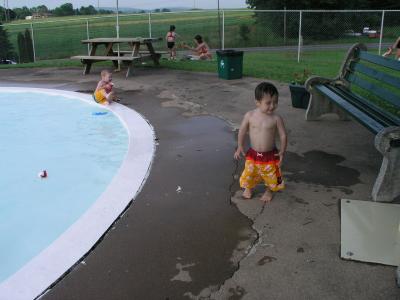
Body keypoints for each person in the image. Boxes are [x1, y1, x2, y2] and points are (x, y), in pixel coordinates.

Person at [234, 82, 287, 203]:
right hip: (253, 154)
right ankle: (248, 188)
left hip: (270, 155)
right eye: (268, 103)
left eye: (275, 102)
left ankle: (269, 191)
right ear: (257, 102)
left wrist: (282, 151)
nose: (272, 106)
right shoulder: (250, 116)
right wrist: (239, 146)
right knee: (249, 173)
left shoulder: (276, 118)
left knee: (272, 177)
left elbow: (283, 135)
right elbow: (242, 131)